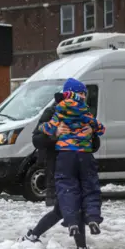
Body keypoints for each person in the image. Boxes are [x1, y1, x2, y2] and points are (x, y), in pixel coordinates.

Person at [20, 91, 101, 249]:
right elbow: (37, 139)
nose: (82, 98)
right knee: (70, 206)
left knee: (63, 208)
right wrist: (55, 134)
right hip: (59, 167)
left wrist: (89, 135)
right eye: (80, 94)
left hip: (79, 167)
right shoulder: (53, 112)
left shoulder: (84, 113)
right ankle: (81, 247)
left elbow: (95, 144)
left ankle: (33, 235)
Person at [39, 78, 105, 240]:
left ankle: (72, 223)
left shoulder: (59, 111)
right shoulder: (86, 112)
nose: (83, 96)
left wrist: (49, 129)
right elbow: (101, 128)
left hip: (66, 155)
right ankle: (93, 218)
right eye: (82, 93)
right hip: (85, 155)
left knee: (67, 190)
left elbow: (46, 128)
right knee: (91, 188)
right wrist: (93, 129)